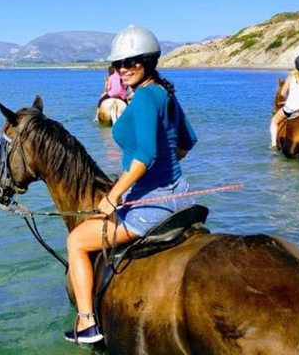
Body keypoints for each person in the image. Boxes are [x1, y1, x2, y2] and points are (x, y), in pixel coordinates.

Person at [64, 25, 198, 344]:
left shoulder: (143, 99)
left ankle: (86, 324)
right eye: (118, 64)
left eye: (131, 62)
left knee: (77, 242)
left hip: (150, 207)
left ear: (149, 61)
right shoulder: (163, 93)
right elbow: (186, 143)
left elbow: (145, 156)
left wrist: (114, 195)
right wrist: (165, 174)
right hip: (182, 197)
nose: (123, 69)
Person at [269, 54, 299, 149]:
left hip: (291, 108)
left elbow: (282, 94)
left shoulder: (291, 78)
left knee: (274, 121)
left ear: (297, 65)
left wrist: (287, 100)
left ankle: (274, 145)